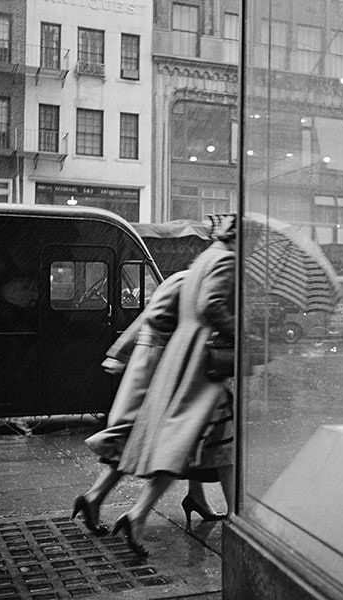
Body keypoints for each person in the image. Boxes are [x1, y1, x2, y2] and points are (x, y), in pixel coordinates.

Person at [113, 215, 237, 555]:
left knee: (203, 440)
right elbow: (211, 306)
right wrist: (241, 328)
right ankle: (238, 517)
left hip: (185, 356)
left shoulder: (205, 258)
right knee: (191, 441)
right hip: (200, 362)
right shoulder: (226, 260)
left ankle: (142, 512)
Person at [72, 270, 223, 535]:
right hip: (160, 365)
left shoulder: (181, 278)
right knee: (162, 441)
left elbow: (147, 317)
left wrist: (120, 352)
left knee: (139, 439)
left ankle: (96, 497)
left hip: (147, 359)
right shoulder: (197, 284)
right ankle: (103, 500)